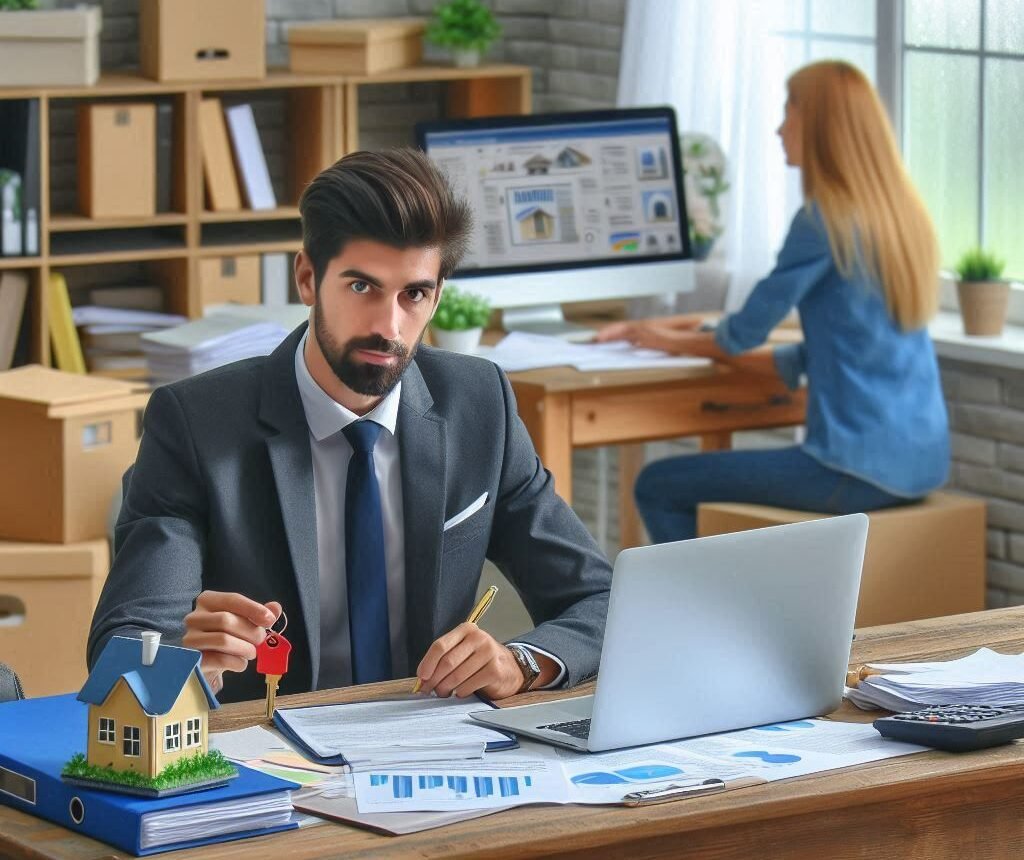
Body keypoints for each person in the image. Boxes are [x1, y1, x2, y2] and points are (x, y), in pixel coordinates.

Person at [88, 148, 613, 704]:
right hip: (267, 758)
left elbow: (601, 600)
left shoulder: (479, 404)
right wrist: (189, 667)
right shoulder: (195, 423)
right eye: (362, 287)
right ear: (309, 278)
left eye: (414, 294)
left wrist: (520, 663)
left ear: (436, 297)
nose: (388, 326)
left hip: (435, 747)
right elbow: (127, 640)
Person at [596, 60, 949, 544]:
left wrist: (651, 335)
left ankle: (701, 617)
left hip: (854, 467)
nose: (780, 127)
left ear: (821, 125)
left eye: (790, 110)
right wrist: (688, 335)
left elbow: (741, 334)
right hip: (919, 463)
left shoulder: (823, 222)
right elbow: (842, 349)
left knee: (658, 484)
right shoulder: (899, 219)